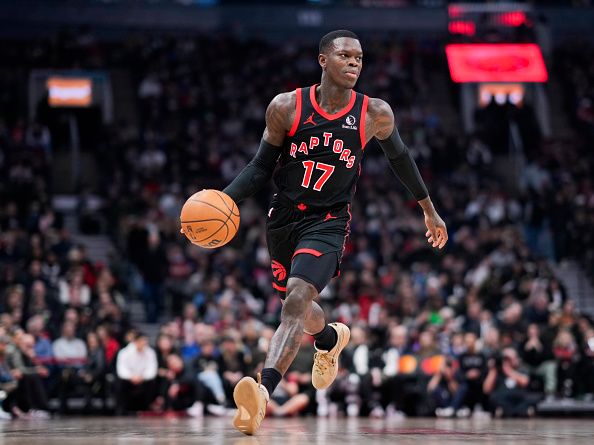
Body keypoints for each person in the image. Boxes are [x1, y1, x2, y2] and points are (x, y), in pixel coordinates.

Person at [219, 30, 448, 435]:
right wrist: (224, 200)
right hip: (283, 219)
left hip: (328, 221)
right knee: (302, 312)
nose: (354, 63)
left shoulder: (374, 112)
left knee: (296, 299)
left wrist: (428, 209)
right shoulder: (287, 106)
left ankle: (262, 393)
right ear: (323, 60)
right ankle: (328, 340)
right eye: (345, 55)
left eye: (359, 58)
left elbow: (401, 159)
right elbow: (259, 167)